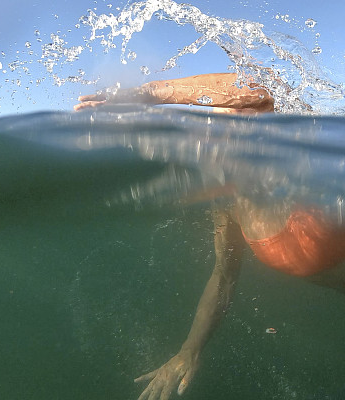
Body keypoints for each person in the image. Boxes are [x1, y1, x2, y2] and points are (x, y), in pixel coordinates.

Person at [74, 73, 345, 400]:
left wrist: (143, 93)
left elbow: (250, 90)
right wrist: (189, 350)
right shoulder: (228, 201)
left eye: (232, 125)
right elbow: (224, 276)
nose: (221, 141)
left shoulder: (309, 164)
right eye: (213, 133)